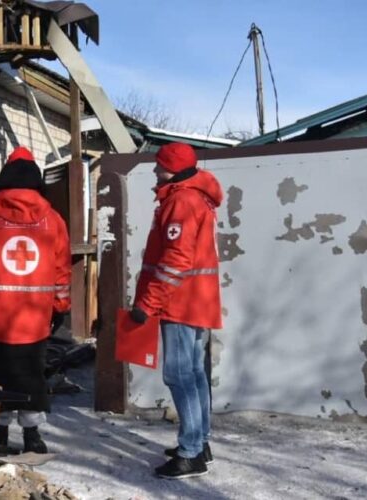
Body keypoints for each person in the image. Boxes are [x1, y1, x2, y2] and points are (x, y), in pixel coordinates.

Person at [0, 146, 71, 454]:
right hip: (33, 320)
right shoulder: (53, 220)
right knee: (30, 375)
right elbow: (61, 272)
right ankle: (33, 437)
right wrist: (60, 307)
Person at [128, 142, 223, 479]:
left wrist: (147, 304)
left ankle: (191, 453)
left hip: (180, 303)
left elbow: (175, 260)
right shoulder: (195, 197)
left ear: (175, 168)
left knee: (179, 375)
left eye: (160, 166)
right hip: (196, 301)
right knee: (195, 374)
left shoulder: (181, 200)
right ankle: (200, 441)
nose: (156, 170)